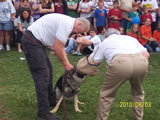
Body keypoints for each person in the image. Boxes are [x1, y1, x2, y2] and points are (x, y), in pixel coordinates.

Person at [21, 13, 90, 120]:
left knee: (49, 70)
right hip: (32, 42)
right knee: (42, 77)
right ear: (79, 24)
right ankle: (43, 114)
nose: (77, 33)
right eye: (79, 31)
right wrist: (66, 64)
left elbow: (58, 46)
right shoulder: (67, 24)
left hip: (36, 42)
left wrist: (65, 61)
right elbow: (58, 47)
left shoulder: (67, 21)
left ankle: (50, 100)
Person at [89, 28, 149, 120]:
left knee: (106, 95)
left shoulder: (105, 42)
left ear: (107, 36)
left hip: (120, 62)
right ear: (119, 34)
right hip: (140, 61)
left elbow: (95, 61)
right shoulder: (130, 38)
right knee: (138, 93)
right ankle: (138, 117)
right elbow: (146, 54)